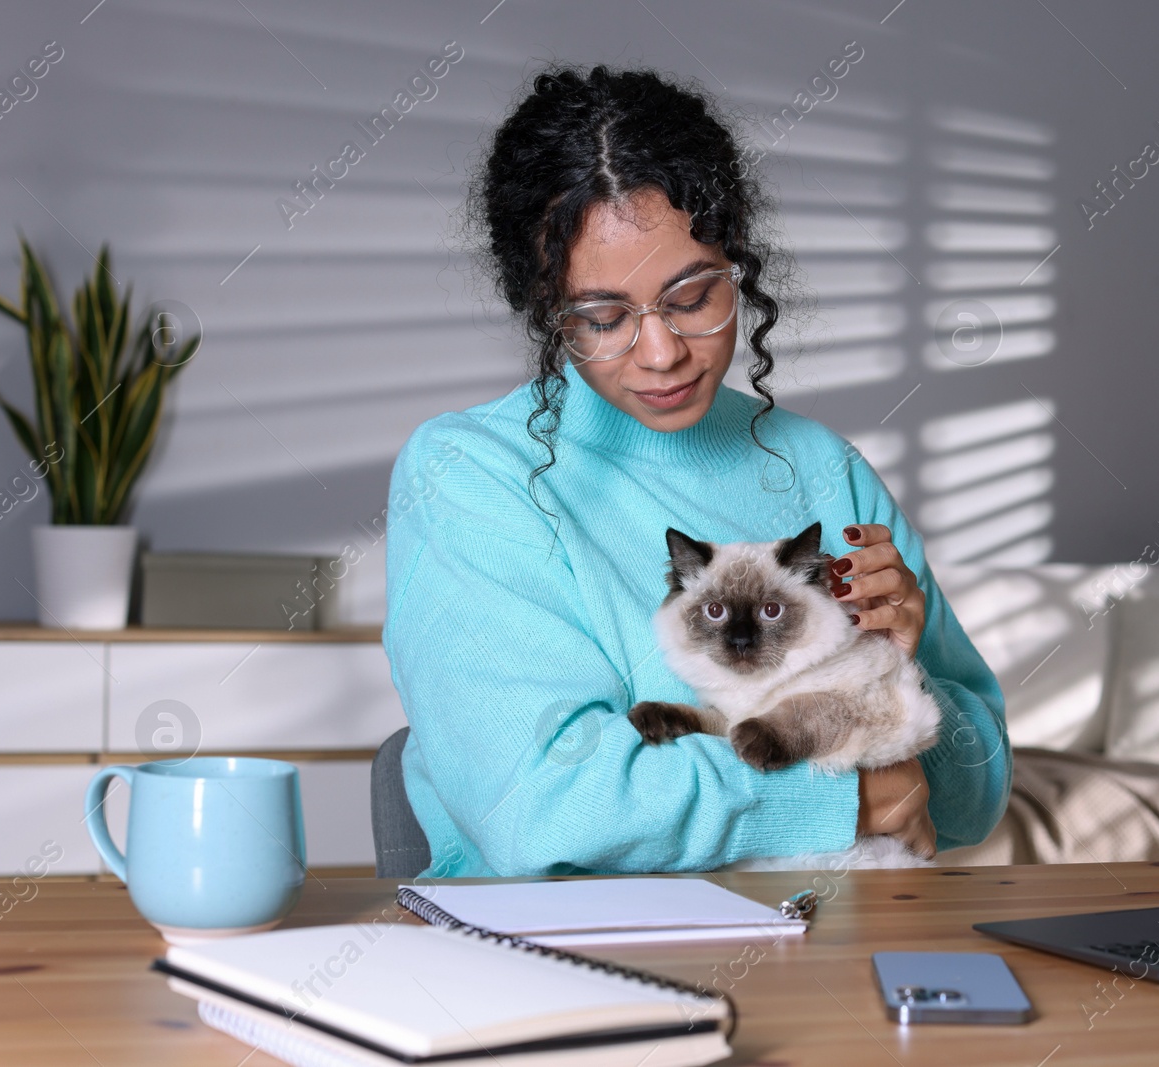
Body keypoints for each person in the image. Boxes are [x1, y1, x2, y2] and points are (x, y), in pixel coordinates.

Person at [383, 65, 1009, 876]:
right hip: (562, 961)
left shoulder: (823, 469)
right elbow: (545, 810)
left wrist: (904, 672)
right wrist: (854, 793)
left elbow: (978, 797)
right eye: (602, 318)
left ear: (736, 260)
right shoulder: (471, 475)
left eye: (691, 297)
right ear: (546, 308)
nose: (659, 350)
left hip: (826, 946)